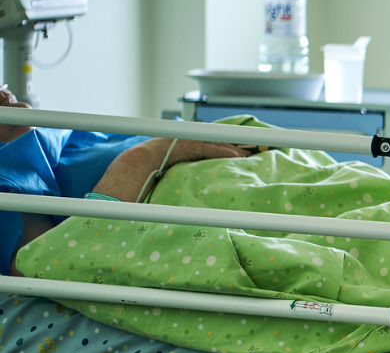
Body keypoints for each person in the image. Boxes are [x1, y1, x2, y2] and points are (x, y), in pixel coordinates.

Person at [1, 87, 250, 275]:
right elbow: (46, 262)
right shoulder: (8, 182)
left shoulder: (49, 135)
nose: (3, 91)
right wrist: (152, 153)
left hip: (231, 163)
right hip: (205, 195)